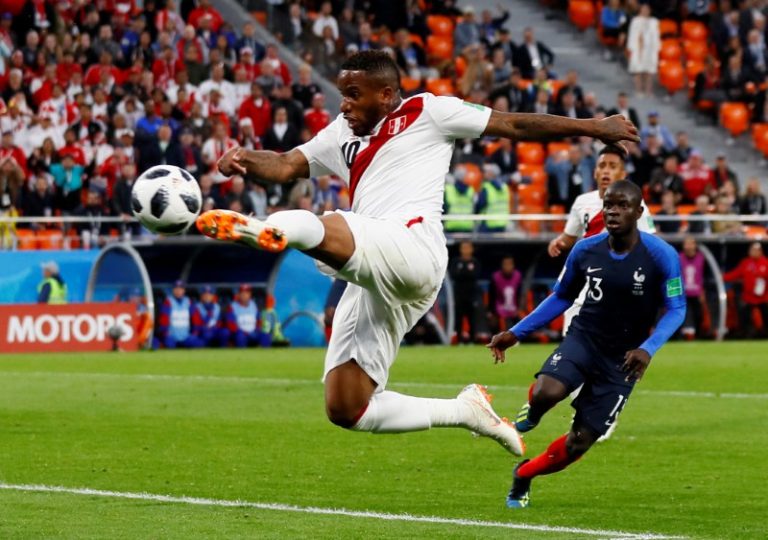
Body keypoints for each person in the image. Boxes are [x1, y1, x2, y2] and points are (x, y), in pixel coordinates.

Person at [194, 50, 637, 455]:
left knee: (328, 224)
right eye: (343, 94)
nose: (344, 104)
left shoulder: (430, 111)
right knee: (347, 406)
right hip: (370, 273)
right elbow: (287, 163)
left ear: (386, 95)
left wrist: (594, 127)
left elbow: (514, 125)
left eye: (353, 94)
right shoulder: (341, 134)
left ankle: (265, 230)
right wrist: (247, 158)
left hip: (413, 249)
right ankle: (464, 411)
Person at [488, 181, 686, 508]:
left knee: (578, 443)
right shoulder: (585, 250)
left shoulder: (661, 255)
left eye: (622, 206)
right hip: (585, 338)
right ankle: (534, 410)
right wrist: (516, 332)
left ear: (639, 212)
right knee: (546, 392)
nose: (613, 211)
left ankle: (523, 475)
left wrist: (647, 349)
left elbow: (676, 308)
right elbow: (562, 296)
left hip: (624, 359)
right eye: (609, 205)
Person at [723, 242, 768, 338]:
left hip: (763, 298)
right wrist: (723, 277)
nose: (753, 252)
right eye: (751, 250)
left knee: (766, 316)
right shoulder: (746, 263)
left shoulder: (766, 263)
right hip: (748, 297)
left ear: (760, 251)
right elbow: (735, 274)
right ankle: (748, 333)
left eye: (755, 250)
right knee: (744, 316)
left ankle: (764, 333)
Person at [449, 241, 482, 344]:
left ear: (472, 249)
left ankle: (472, 340)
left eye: (468, 247)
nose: (466, 250)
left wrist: (462, 273)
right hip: (458, 295)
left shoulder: (475, 262)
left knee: (472, 319)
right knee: (458, 319)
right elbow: (454, 275)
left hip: (471, 295)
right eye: (463, 248)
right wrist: (467, 273)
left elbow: (475, 275)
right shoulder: (455, 262)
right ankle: (458, 340)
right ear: (460, 249)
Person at [156, 280, 204, 349]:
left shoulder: (188, 301)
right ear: (173, 290)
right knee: (168, 344)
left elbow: (196, 319)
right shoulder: (168, 302)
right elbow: (163, 320)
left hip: (186, 336)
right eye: (176, 289)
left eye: (180, 289)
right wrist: (166, 333)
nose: (178, 291)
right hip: (172, 336)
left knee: (198, 343)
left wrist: (195, 333)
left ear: (184, 290)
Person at [679, 236, 707, 339]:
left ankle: (698, 334)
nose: (688, 246)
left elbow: (705, 276)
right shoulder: (678, 257)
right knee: (682, 314)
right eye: (686, 244)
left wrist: (703, 291)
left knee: (698, 314)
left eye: (691, 243)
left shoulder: (702, 258)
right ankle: (683, 335)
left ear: (695, 245)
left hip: (697, 293)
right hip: (683, 293)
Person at [488, 255, 522, 331]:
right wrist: (492, 312)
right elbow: (492, 297)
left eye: (510, 264)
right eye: (505, 264)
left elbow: (519, 294)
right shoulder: (495, 277)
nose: (508, 267)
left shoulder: (518, 276)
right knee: (494, 323)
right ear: (501, 265)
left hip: (514, 310)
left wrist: (519, 309)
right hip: (499, 309)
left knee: (523, 324)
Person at [223, 283, 262, 348]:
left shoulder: (254, 305)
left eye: (247, 293)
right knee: (240, 336)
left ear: (250, 294)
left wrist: (257, 330)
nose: (244, 295)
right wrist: (241, 332)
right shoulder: (232, 307)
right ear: (238, 294)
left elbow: (259, 321)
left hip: (253, 332)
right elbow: (230, 324)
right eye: (242, 293)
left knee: (264, 335)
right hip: (239, 333)